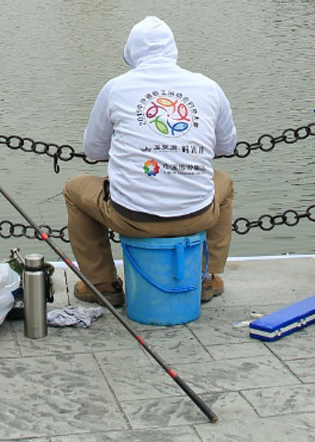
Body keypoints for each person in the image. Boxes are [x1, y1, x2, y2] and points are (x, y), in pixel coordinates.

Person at [63, 16, 237, 307]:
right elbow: (227, 146)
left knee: (74, 188)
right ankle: (208, 277)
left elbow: (92, 149)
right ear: (174, 50)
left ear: (132, 52)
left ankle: (103, 283)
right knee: (224, 182)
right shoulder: (208, 87)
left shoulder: (116, 88)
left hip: (131, 218)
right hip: (198, 213)